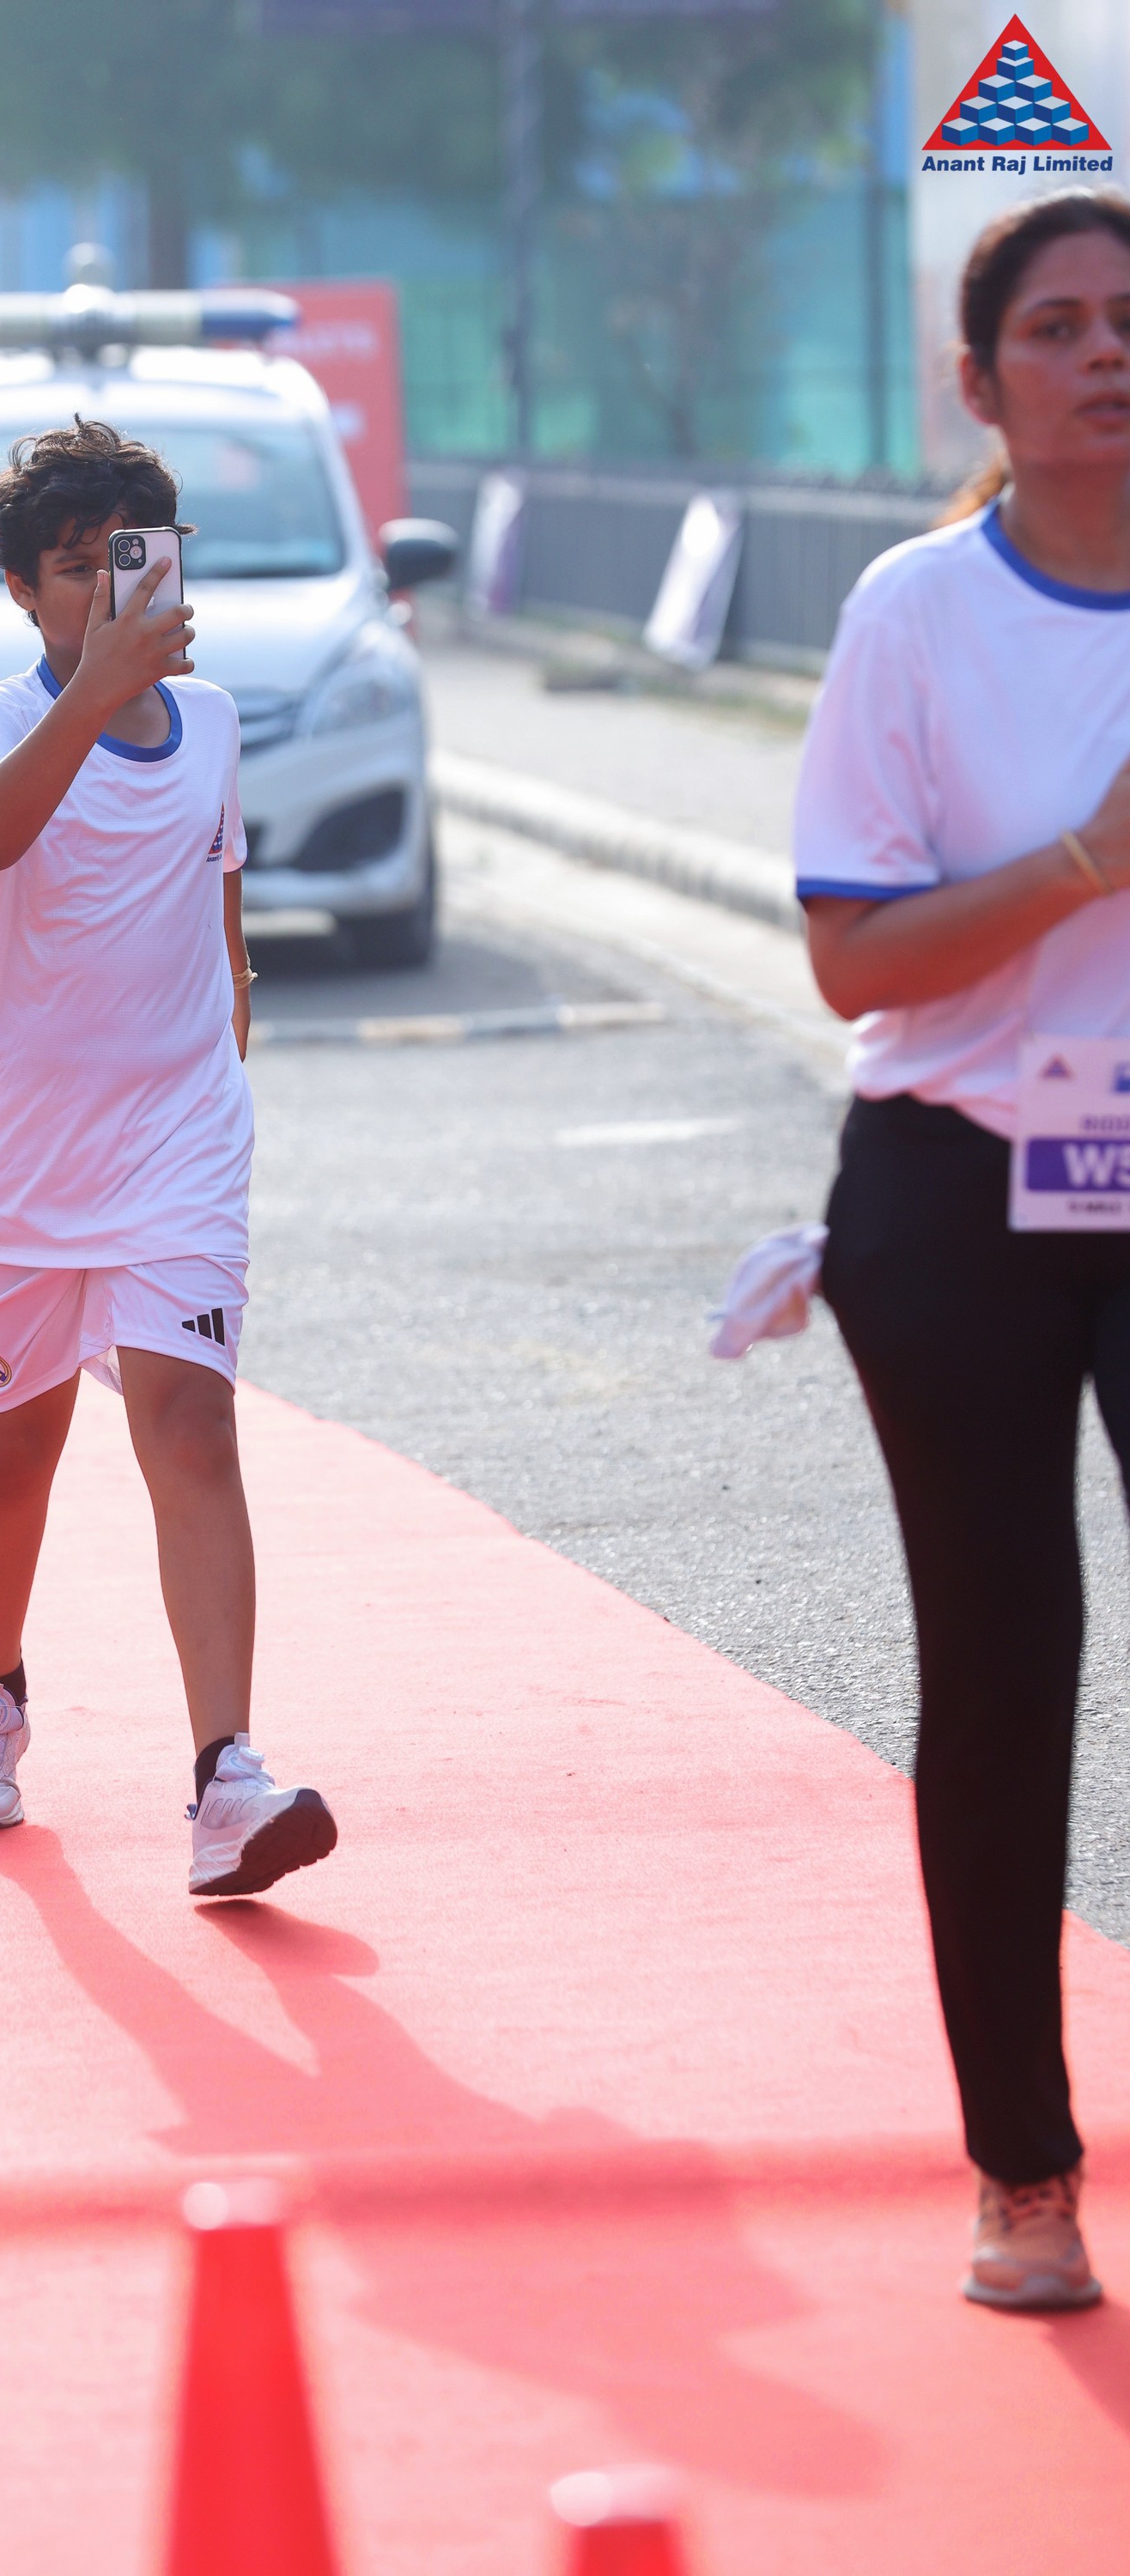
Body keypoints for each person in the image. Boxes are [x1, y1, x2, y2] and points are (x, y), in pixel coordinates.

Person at [796, 190, 1130, 2312]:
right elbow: (850, 955)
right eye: (1061, 325)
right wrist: (1087, 858)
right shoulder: (915, 613)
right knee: (1003, 1671)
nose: (1105, 353)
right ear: (980, 380)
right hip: (960, 1184)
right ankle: (1021, 2167)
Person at [0, 418, 337, 1899]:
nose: (109, 587)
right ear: (22, 590)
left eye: (133, 558)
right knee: (13, 1446)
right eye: (77, 567)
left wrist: (229, 1029)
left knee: (191, 1422)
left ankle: (227, 1780)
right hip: (23, 1149)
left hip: (177, 1139)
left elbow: (218, 887)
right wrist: (90, 693)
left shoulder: (209, 721)